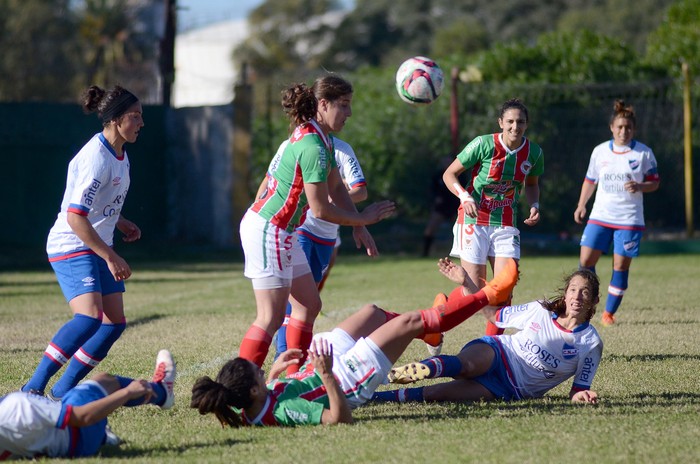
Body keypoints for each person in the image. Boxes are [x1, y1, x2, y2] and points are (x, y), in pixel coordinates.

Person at [190, 259, 520, 427]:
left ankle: (433, 331)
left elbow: (260, 402)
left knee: (372, 312)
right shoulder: (285, 409)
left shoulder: (249, 401)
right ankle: (488, 295)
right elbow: (340, 418)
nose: (262, 373)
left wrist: (276, 372)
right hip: (347, 378)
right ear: (253, 391)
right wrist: (327, 374)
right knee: (410, 322)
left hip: (320, 364)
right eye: (258, 374)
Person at [238, 74, 395, 374]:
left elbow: (337, 188)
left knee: (309, 304)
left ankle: (293, 378)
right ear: (323, 104)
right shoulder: (312, 145)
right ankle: (239, 389)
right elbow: (321, 209)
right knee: (269, 317)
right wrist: (363, 217)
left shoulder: (321, 138)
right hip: (268, 228)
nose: (349, 113)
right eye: (344, 105)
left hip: (281, 232)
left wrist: (358, 226)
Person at [22, 85, 144, 400]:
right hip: (72, 244)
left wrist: (120, 220)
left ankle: (64, 388)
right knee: (89, 318)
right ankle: (33, 387)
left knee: (113, 324)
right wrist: (111, 257)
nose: (141, 123)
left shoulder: (120, 154)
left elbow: (98, 205)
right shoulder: (96, 157)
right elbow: (76, 217)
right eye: (135, 116)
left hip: (94, 243)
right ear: (116, 119)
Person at [372, 258, 602, 405]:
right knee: (466, 366)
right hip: (500, 353)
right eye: (573, 290)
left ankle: (371, 398)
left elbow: (578, 389)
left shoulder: (590, 343)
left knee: (436, 395)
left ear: (594, 300)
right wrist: (467, 285)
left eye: (584, 292)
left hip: (508, 389)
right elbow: (494, 316)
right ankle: (392, 375)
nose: (577, 297)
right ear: (565, 294)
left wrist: (581, 396)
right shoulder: (539, 310)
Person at [442, 98, 543, 337]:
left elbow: (532, 184)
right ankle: (441, 309)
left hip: (506, 223)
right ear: (501, 122)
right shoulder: (483, 144)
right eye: (509, 121)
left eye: (520, 122)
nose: (514, 127)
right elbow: (449, 174)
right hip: (474, 221)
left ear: (526, 124)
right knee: (475, 293)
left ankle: (492, 347)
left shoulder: (534, 153)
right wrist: (465, 197)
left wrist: (535, 204)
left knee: (504, 287)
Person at [269, 135, 369, 357]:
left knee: (309, 299)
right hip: (300, 227)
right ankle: (285, 353)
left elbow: (360, 190)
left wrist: (329, 199)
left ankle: (292, 347)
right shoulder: (291, 144)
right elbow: (270, 182)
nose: (348, 112)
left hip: (327, 234)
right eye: (342, 105)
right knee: (298, 300)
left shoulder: (341, 149)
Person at [574, 100, 660, 327]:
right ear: (612, 127)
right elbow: (590, 180)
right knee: (585, 262)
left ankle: (608, 313)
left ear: (634, 130)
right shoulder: (600, 151)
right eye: (619, 127)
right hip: (600, 216)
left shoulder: (643, 153)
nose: (623, 131)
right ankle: (590, 301)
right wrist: (582, 204)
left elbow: (654, 183)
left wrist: (640, 186)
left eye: (628, 128)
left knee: (620, 267)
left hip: (629, 219)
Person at [0, 350, 175, 459]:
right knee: (104, 380)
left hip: (63, 448)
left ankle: (105, 437)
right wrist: (127, 392)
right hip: (81, 435)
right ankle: (161, 392)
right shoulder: (17, 405)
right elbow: (83, 417)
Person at [422, 156, 461, 258]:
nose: (446, 163)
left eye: (449, 161)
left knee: (460, 229)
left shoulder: (460, 175)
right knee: (430, 229)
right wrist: (436, 199)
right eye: (445, 161)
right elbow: (432, 191)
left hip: (455, 206)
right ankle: (425, 253)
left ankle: (461, 253)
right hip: (441, 207)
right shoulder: (438, 176)